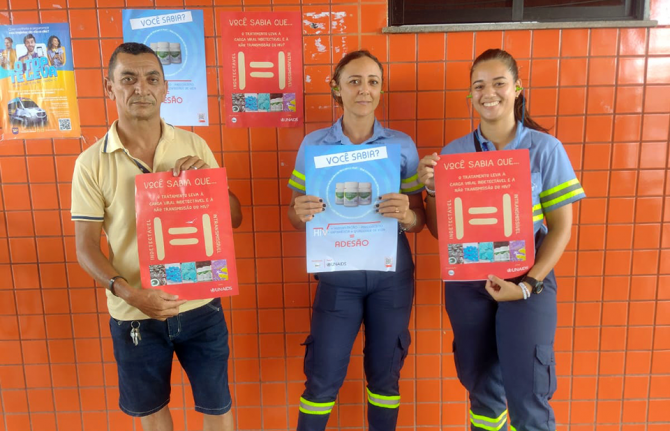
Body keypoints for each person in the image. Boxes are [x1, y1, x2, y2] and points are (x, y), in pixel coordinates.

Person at [71, 42, 241, 431]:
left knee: (218, 408)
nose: (140, 88)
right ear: (109, 88)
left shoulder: (193, 144)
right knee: (151, 413)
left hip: (201, 308)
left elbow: (234, 218)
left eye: (151, 78)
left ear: (165, 88)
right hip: (134, 314)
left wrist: (207, 185)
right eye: (127, 78)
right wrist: (130, 294)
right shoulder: (91, 163)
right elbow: (85, 247)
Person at [418, 48, 586, 431]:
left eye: (498, 83)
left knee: (528, 395)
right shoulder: (455, 153)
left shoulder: (545, 149)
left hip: (526, 282)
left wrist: (527, 285)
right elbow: (442, 232)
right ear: (470, 95)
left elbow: (560, 228)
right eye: (479, 85)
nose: (488, 92)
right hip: (468, 284)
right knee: (481, 388)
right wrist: (430, 191)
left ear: (517, 89)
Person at [287, 50, 426, 431]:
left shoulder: (402, 146)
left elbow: (420, 220)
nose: (364, 90)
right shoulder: (314, 145)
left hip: (391, 275)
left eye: (372, 82)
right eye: (354, 81)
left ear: (380, 89)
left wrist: (408, 214)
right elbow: (294, 217)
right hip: (338, 275)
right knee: (322, 377)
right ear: (336, 88)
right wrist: (300, 214)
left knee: (385, 378)